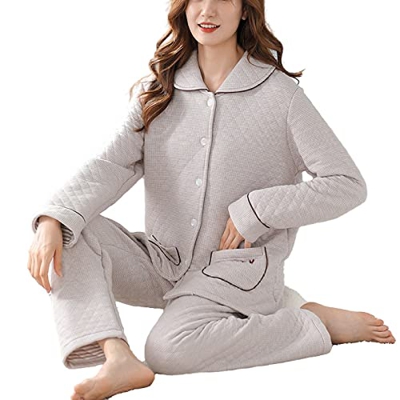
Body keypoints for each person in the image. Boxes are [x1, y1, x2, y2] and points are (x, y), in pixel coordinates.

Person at [27, 0, 396, 399]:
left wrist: (257, 209)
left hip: (236, 271)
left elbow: (346, 183)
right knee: (70, 231)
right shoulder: (160, 89)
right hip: (164, 261)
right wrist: (53, 219)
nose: (207, 10)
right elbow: (111, 164)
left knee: (167, 350)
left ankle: (310, 322)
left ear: (245, 10)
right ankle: (117, 357)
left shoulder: (281, 97)